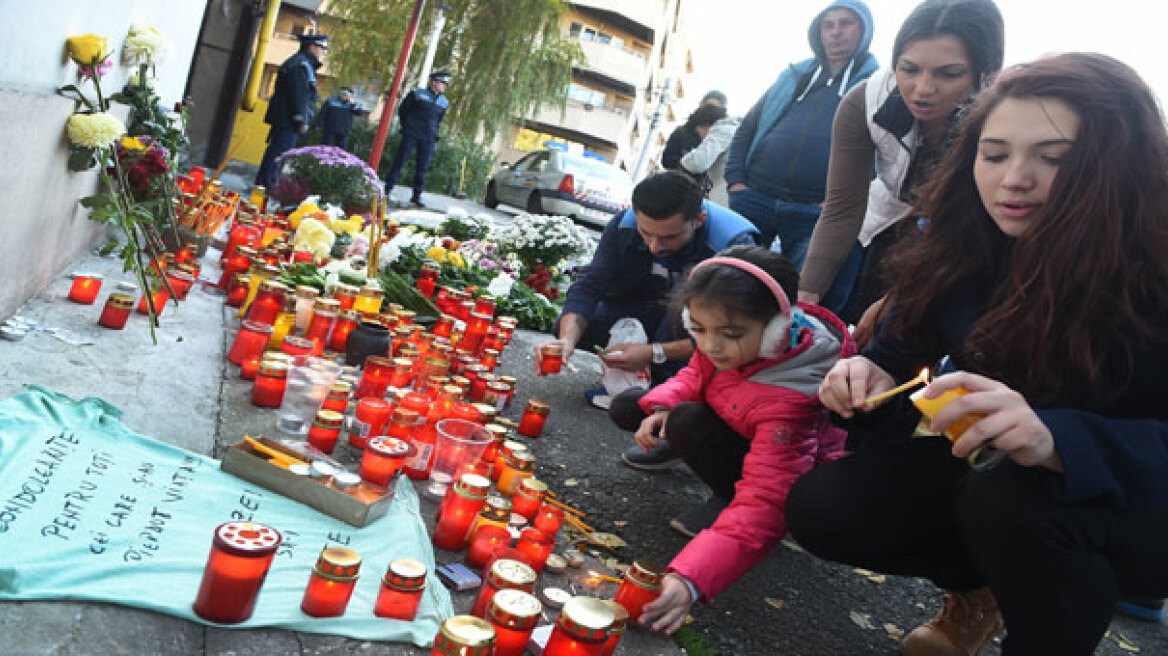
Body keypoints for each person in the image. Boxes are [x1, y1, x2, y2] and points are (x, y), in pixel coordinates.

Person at [785, 53, 1168, 655]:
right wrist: (868, 370)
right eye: (994, 156)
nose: (1014, 179)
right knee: (826, 507)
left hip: (1131, 503)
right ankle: (980, 591)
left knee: (1012, 501)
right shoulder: (970, 244)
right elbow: (903, 344)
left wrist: (1059, 440)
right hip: (997, 474)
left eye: (1054, 159)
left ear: (1122, 166)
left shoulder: (1153, 274)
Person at [607, 246, 854, 632]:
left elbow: (766, 501)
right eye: (698, 330)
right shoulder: (719, 340)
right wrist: (660, 408)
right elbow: (694, 374)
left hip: (779, 462)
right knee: (633, 406)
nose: (710, 346)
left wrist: (691, 579)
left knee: (687, 420)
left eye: (730, 334)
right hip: (735, 420)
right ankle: (682, 441)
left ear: (776, 330)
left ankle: (723, 493)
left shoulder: (794, 396)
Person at [799, 0, 1004, 321]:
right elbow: (843, 206)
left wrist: (895, 302)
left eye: (949, 74)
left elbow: (974, 230)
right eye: (908, 69)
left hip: (970, 240)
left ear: (985, 73)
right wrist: (807, 292)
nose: (922, 89)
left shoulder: (1001, 119)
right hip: (889, 223)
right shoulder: (865, 103)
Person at [539, 171, 756, 454]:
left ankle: (668, 405)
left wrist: (654, 352)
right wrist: (566, 341)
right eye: (646, 233)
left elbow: (730, 336)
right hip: (640, 308)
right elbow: (589, 286)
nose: (655, 246)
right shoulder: (623, 225)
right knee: (569, 324)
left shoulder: (733, 245)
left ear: (698, 220)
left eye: (669, 237)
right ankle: (640, 383)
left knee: (682, 317)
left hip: (694, 325)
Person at [724, 0, 877, 263]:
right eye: (828, 25)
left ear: (864, 30)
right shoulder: (793, 76)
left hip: (815, 211)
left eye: (846, 23)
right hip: (754, 197)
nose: (835, 32)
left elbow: (881, 153)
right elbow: (747, 127)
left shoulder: (875, 86)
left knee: (801, 292)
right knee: (730, 281)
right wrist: (736, 181)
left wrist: (837, 204)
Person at [255, 33, 328, 189]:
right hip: (288, 120)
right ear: (312, 46)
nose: (325, 52)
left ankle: (264, 185)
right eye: (323, 48)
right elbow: (298, 95)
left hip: (286, 119)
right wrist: (301, 119)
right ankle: (265, 186)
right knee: (278, 154)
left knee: (278, 153)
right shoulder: (300, 65)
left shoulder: (302, 63)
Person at [383, 70, 451, 208]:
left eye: (445, 84)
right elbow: (403, 110)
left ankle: (416, 196)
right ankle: (387, 190)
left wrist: (434, 134)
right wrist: (408, 126)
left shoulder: (444, 102)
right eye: (442, 82)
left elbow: (438, 120)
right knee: (400, 161)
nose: (444, 86)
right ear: (434, 82)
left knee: (422, 167)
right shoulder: (417, 94)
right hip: (412, 133)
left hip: (429, 137)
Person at [679, 104, 740, 207]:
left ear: (705, 125)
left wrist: (684, 160)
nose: (702, 139)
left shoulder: (722, 130)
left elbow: (698, 163)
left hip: (728, 194)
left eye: (699, 134)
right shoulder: (735, 129)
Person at [661, 90, 727, 171]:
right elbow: (666, 160)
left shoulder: (723, 137)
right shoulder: (681, 132)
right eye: (709, 106)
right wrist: (689, 161)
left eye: (716, 108)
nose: (711, 111)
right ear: (701, 105)